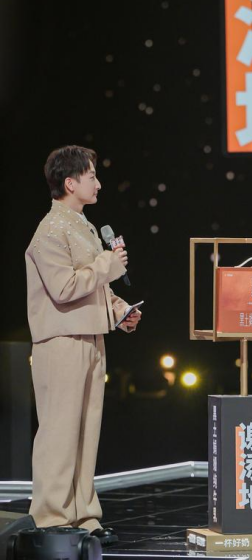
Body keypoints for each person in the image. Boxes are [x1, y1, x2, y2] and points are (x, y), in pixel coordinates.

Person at [25, 146, 142, 546]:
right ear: (70, 183)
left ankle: (84, 516)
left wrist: (120, 311)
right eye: (92, 176)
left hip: (91, 338)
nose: (98, 183)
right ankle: (51, 516)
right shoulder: (50, 231)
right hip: (61, 342)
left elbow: (95, 287)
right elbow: (64, 288)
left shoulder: (85, 227)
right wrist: (109, 264)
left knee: (86, 432)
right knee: (59, 432)